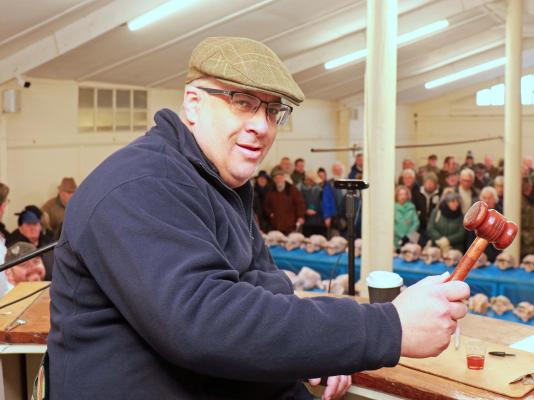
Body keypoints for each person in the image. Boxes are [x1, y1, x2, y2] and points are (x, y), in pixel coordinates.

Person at [49, 36, 469, 400]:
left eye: (272, 111)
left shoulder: (219, 183)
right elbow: (204, 321)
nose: (262, 126)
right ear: (192, 104)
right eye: (243, 103)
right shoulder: (141, 186)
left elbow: (266, 289)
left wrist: (323, 349)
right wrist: (390, 327)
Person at [264, 167, 306, 235]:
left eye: (280, 177)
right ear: (274, 180)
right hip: (276, 226)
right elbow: (266, 205)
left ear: (284, 178)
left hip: (291, 225)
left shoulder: (292, 189)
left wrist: (301, 216)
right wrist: (270, 213)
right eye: (276, 178)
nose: (279, 180)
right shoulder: (271, 191)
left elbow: (300, 203)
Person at [299, 171, 326, 236]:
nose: (308, 181)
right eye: (307, 179)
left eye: (310, 180)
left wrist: (317, 210)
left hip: (319, 220)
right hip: (306, 220)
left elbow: (323, 203)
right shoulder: (300, 189)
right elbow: (299, 203)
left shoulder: (320, 190)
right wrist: (305, 210)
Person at [520, 178, 534, 258]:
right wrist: (527, 237)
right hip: (526, 244)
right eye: (526, 186)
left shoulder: (532, 200)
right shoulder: (519, 201)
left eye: (530, 186)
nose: (529, 188)